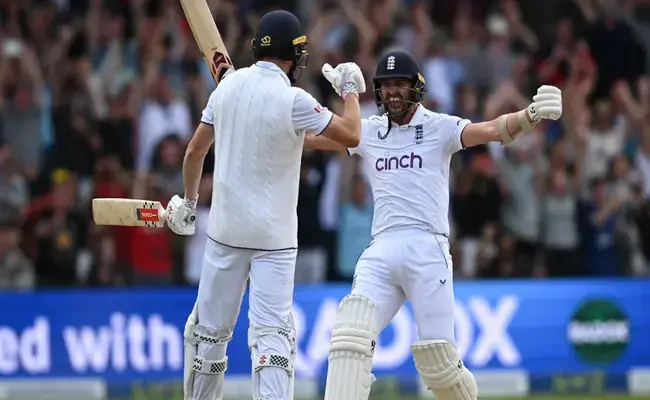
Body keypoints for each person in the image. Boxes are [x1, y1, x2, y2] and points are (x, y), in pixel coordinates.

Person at [305, 49, 562, 400]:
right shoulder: (367, 131)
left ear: (416, 87)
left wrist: (530, 115)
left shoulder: (439, 127)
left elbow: (492, 130)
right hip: (380, 251)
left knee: (441, 369)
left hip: (428, 251)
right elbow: (309, 139)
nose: (393, 92)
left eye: (400, 84)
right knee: (349, 337)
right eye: (386, 85)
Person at [163, 10, 366, 400]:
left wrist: (189, 204)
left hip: (226, 232)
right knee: (273, 337)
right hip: (275, 239)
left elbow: (194, 152)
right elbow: (352, 134)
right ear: (294, 55)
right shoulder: (294, 99)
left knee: (208, 335)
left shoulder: (227, 88)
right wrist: (351, 91)